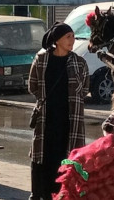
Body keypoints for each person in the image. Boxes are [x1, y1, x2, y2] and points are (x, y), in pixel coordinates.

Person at [27, 22, 88, 200]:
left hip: (70, 120)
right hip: (46, 119)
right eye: (68, 37)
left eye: (73, 36)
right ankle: (41, 193)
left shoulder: (79, 62)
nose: (72, 40)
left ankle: (63, 194)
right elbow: (33, 86)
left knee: (67, 156)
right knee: (43, 157)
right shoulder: (42, 60)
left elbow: (84, 90)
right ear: (57, 40)